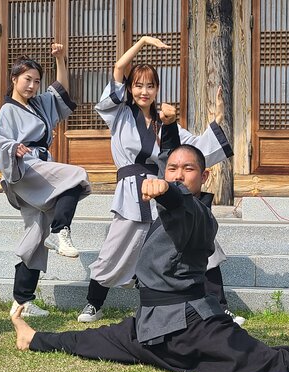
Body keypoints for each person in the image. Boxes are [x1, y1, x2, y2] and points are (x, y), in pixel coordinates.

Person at [11, 144, 289, 372]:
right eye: (171, 168)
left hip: (192, 329)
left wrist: (166, 191)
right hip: (148, 328)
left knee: (274, 362)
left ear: (203, 177)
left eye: (187, 169)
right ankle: (33, 340)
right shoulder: (174, 203)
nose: (178, 174)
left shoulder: (193, 212)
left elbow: (180, 208)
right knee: (93, 341)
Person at [78, 35, 241, 325]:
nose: (144, 91)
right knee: (116, 248)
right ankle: (94, 303)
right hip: (131, 192)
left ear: (157, 89)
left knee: (202, 240)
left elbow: (191, 152)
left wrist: (215, 119)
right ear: (130, 87)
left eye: (150, 85)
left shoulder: (164, 121)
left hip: (164, 191)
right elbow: (118, 68)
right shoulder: (119, 114)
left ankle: (219, 305)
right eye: (138, 85)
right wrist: (141, 42)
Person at [0, 43, 91, 318]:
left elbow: (61, 90)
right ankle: (61, 232)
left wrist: (61, 59)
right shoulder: (8, 111)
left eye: (36, 81)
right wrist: (14, 148)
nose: (32, 86)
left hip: (40, 167)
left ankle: (21, 303)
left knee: (35, 234)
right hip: (25, 169)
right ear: (14, 79)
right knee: (76, 177)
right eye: (27, 80)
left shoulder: (39, 104)